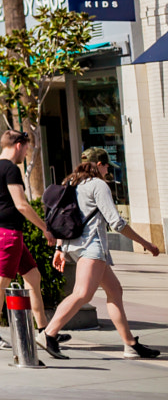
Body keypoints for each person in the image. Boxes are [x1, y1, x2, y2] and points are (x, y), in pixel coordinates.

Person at [42, 149, 162, 359]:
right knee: (82, 293)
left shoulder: (71, 183)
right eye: (107, 167)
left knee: (115, 291)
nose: (108, 171)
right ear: (98, 165)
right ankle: (48, 334)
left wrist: (59, 249)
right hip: (92, 246)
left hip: (76, 246)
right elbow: (116, 222)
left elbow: (63, 217)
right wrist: (145, 243)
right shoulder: (98, 185)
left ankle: (130, 344)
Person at [0, 129, 54, 351]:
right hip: (7, 233)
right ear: (19, 145)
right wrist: (45, 228)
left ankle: (43, 332)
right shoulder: (10, 169)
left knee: (33, 276)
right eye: (27, 147)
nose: (27, 152)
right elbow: (21, 204)